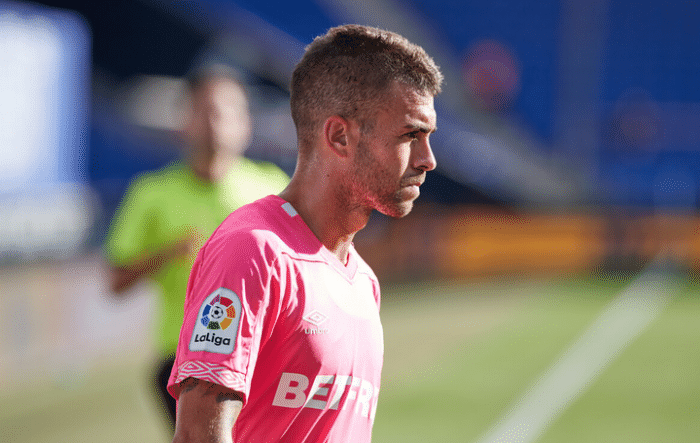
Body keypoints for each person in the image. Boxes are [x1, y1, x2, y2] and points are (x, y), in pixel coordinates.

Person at [167, 24, 443, 443]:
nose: (428, 159)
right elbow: (196, 435)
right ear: (339, 136)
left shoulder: (363, 281)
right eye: (410, 135)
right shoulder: (253, 250)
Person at [102, 65, 289, 429]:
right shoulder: (151, 193)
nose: (214, 122)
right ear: (183, 121)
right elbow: (115, 282)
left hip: (264, 354)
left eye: (225, 111)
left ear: (245, 122)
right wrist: (167, 253)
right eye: (203, 111)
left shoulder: (273, 188)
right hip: (186, 360)